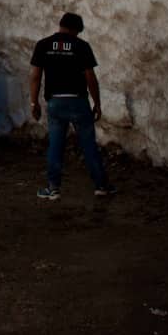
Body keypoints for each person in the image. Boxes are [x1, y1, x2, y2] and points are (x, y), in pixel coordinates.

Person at [29, 11, 115, 200]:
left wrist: (34, 102)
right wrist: (97, 103)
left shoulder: (43, 45)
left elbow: (35, 76)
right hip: (78, 102)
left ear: (61, 25)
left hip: (55, 102)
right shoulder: (81, 45)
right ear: (76, 30)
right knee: (88, 145)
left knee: (55, 145)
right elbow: (90, 77)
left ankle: (53, 188)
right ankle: (101, 186)